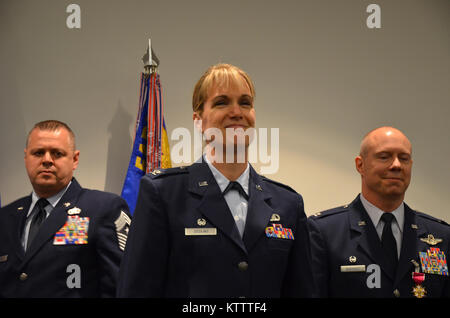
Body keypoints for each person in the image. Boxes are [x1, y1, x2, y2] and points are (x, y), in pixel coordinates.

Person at [117, 63, 315, 297]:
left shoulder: (287, 203)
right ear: (198, 120)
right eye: (222, 102)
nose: (236, 112)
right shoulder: (164, 194)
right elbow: (136, 290)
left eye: (245, 103)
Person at [308, 126, 450, 298]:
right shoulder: (324, 232)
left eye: (404, 158)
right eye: (384, 157)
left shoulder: (440, 235)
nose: (396, 165)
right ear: (360, 165)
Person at [0, 120, 131, 297]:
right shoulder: (6, 217)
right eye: (38, 153)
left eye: (57, 153)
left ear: (74, 159)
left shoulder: (103, 209)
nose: (47, 160)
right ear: (26, 158)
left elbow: (122, 285)